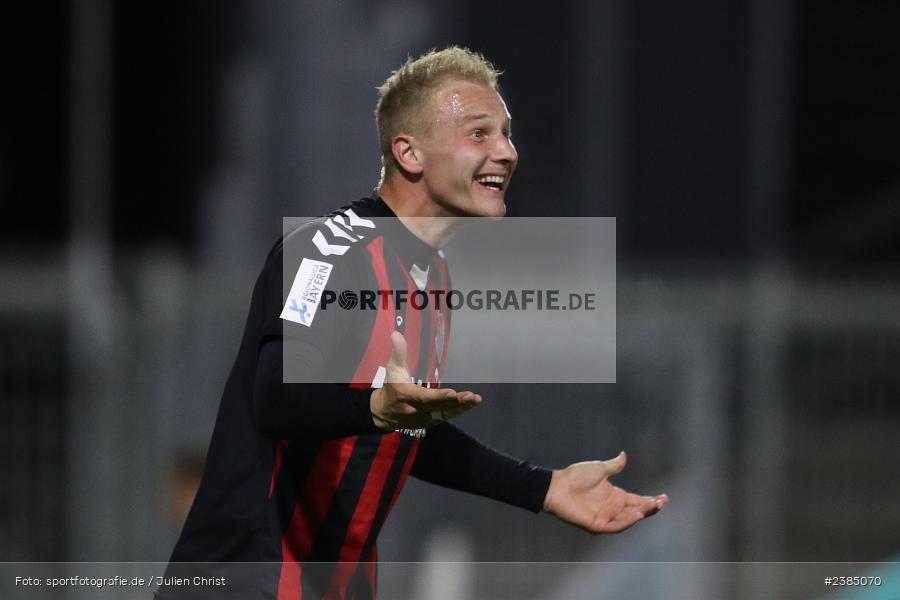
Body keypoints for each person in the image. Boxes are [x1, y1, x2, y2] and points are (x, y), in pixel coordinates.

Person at [158, 47, 668, 600]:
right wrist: (375, 407)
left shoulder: (433, 277)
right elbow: (277, 391)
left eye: (506, 133)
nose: (507, 151)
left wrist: (543, 488)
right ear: (409, 152)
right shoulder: (326, 251)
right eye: (480, 134)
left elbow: (401, 429)